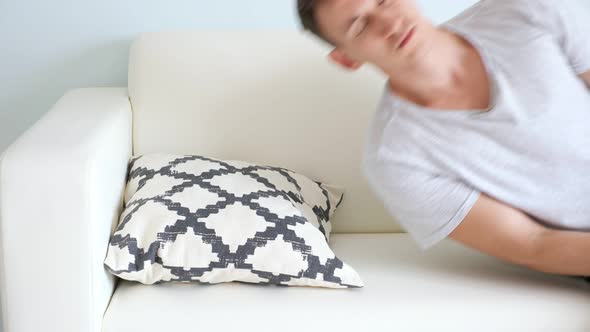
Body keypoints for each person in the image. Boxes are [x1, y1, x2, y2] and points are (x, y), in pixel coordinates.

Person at [296, 0, 590, 280]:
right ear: (346, 59)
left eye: (384, 1)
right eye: (360, 26)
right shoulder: (394, 161)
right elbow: (533, 244)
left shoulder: (528, 10)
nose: (389, 23)